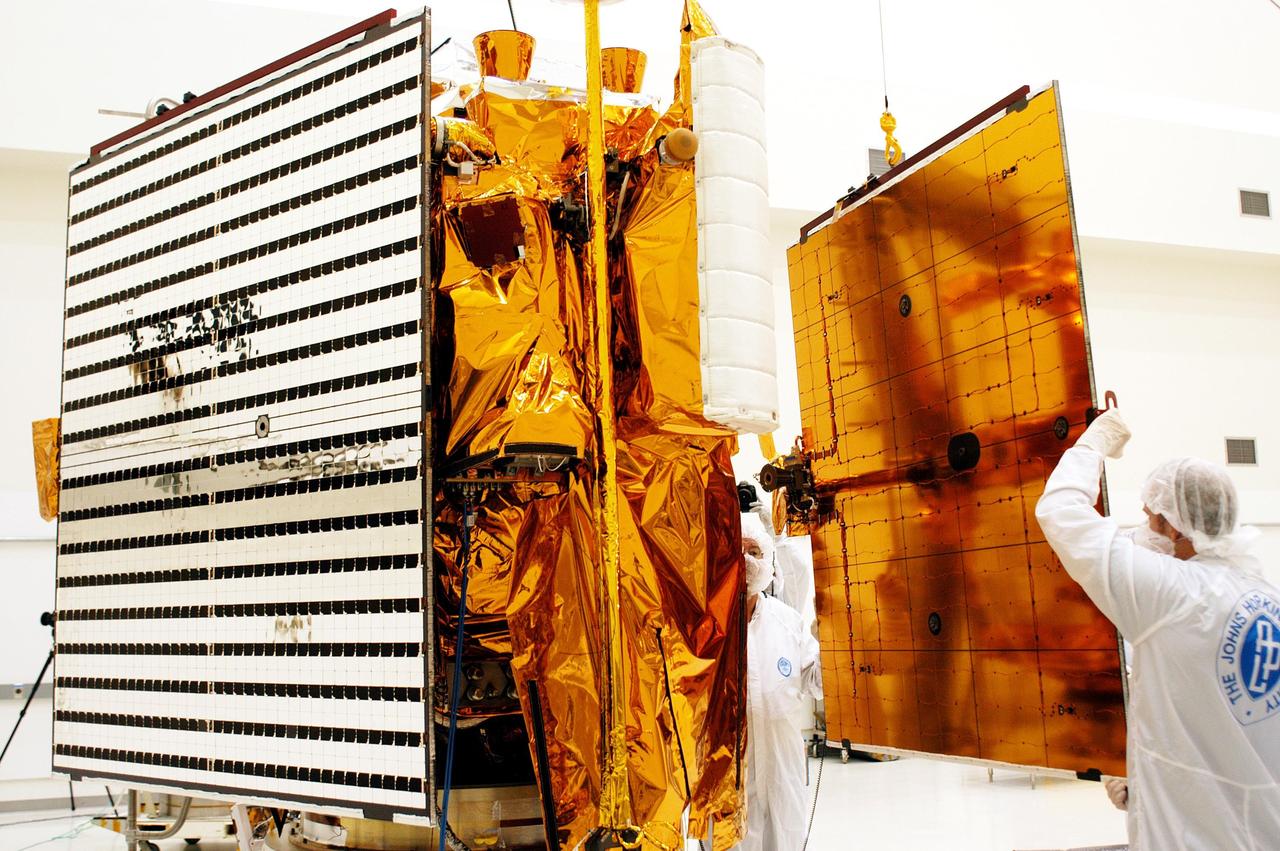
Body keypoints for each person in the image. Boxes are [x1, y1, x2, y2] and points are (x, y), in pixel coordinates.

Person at [1035, 408, 1280, 849]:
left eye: (1150, 516)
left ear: (1172, 525)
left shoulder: (1169, 593)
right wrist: (1144, 786)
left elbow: (1060, 512)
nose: (1144, 527)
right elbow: (1218, 721)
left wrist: (1093, 445)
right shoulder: (1263, 596)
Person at [738, 512, 822, 851]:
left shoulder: (787, 623)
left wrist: (828, 637)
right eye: (737, 551)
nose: (746, 562)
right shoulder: (708, 632)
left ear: (769, 559)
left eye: (754, 552)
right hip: (733, 786)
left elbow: (817, 682)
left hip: (783, 777)